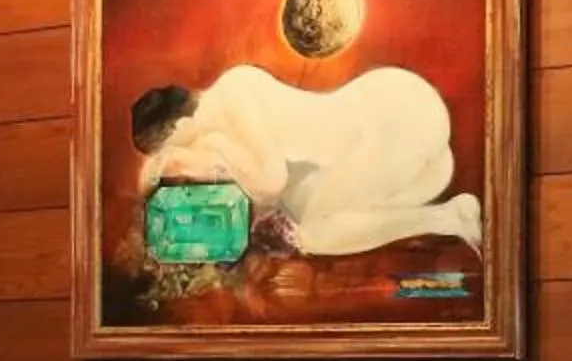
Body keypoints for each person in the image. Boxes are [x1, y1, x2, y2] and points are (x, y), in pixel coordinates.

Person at [130, 65, 480, 257]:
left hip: (396, 116)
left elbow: (270, 182)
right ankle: (448, 215)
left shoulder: (230, 96)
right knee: (304, 206)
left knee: (311, 235)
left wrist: (190, 159)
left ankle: (449, 218)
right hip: (410, 139)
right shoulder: (224, 122)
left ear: (179, 126)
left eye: (169, 148)